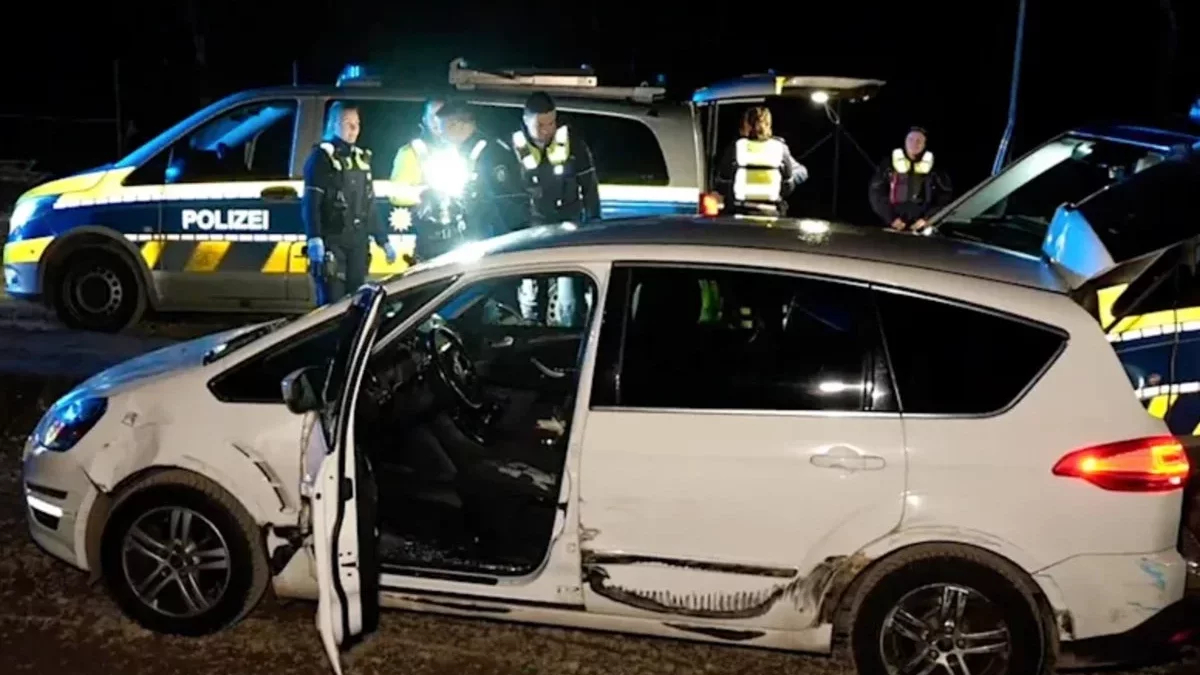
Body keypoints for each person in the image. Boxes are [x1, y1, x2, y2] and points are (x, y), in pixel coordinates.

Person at [511, 92, 599, 326]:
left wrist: (594, 225)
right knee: (532, 297)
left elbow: (590, 189)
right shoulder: (511, 146)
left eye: (551, 122)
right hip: (531, 231)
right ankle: (532, 341)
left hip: (567, 229)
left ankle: (571, 345)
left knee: (570, 299)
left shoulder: (574, 144)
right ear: (525, 119)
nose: (546, 129)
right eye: (540, 124)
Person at [302, 102, 396, 306]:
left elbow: (369, 205)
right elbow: (311, 204)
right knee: (332, 307)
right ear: (332, 125)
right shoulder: (321, 157)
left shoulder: (361, 158)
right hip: (333, 241)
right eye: (347, 123)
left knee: (357, 304)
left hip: (358, 243)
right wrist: (315, 239)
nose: (354, 129)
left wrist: (383, 240)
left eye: (357, 123)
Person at [410, 101, 526, 261]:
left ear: (456, 125)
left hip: (492, 244)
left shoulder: (490, 153)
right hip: (473, 239)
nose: (440, 135)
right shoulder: (461, 152)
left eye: (442, 128)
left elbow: (505, 205)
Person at [714, 106, 807, 217]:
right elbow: (788, 186)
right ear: (769, 125)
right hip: (771, 212)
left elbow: (722, 184)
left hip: (740, 211)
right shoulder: (780, 148)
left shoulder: (736, 147)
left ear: (746, 125)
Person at [868, 126, 952, 233]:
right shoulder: (888, 165)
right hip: (891, 226)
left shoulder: (936, 169)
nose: (914, 143)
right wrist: (891, 218)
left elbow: (945, 196)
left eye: (919, 141)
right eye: (911, 140)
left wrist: (928, 218)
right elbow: (876, 192)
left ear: (924, 144)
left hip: (921, 228)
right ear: (905, 141)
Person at [390, 98, 446, 203]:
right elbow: (397, 197)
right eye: (433, 116)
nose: (438, 120)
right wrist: (423, 194)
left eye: (442, 114)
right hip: (422, 215)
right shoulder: (411, 152)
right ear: (425, 120)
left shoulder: (461, 150)